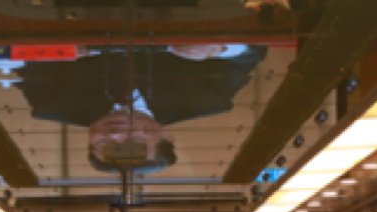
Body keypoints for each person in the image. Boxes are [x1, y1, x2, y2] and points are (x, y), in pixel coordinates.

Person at [15, 46, 267, 175]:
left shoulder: (51, 104)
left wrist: (54, 49)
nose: (115, 135)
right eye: (133, 142)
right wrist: (220, 48)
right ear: (167, 136)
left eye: (104, 144)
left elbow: (15, 55)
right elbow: (252, 52)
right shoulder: (209, 99)